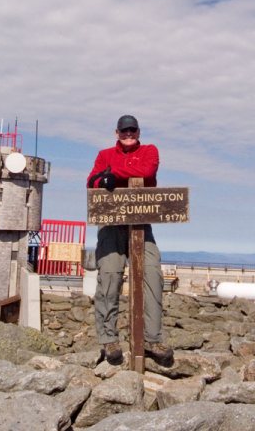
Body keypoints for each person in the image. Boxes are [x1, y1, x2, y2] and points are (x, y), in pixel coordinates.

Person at [87, 115, 173, 367]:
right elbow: (91, 182)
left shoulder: (149, 150)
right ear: (116, 132)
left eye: (132, 130)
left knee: (152, 276)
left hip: (141, 223)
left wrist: (111, 174)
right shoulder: (104, 154)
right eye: (124, 131)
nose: (128, 134)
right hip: (110, 224)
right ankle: (109, 340)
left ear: (138, 131)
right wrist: (101, 178)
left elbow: (146, 171)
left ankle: (152, 339)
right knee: (109, 279)